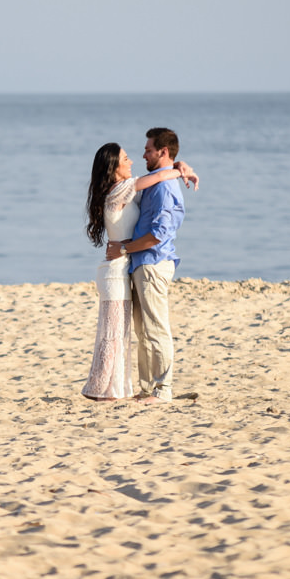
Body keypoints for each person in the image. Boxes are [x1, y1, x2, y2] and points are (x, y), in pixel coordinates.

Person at [82, 141, 196, 401]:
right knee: (113, 334)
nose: (132, 160)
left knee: (118, 333)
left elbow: (154, 179)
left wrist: (178, 164)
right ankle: (101, 390)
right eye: (125, 158)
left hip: (122, 266)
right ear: (114, 167)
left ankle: (111, 390)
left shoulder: (123, 191)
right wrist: (181, 170)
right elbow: (158, 176)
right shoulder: (120, 189)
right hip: (116, 269)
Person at [105, 128, 186, 404]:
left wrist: (125, 248)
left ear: (163, 151)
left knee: (156, 328)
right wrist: (180, 167)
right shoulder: (154, 181)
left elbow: (157, 235)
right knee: (143, 331)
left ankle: (163, 390)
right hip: (140, 265)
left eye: (148, 150)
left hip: (153, 263)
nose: (143, 155)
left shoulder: (163, 188)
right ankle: (148, 388)